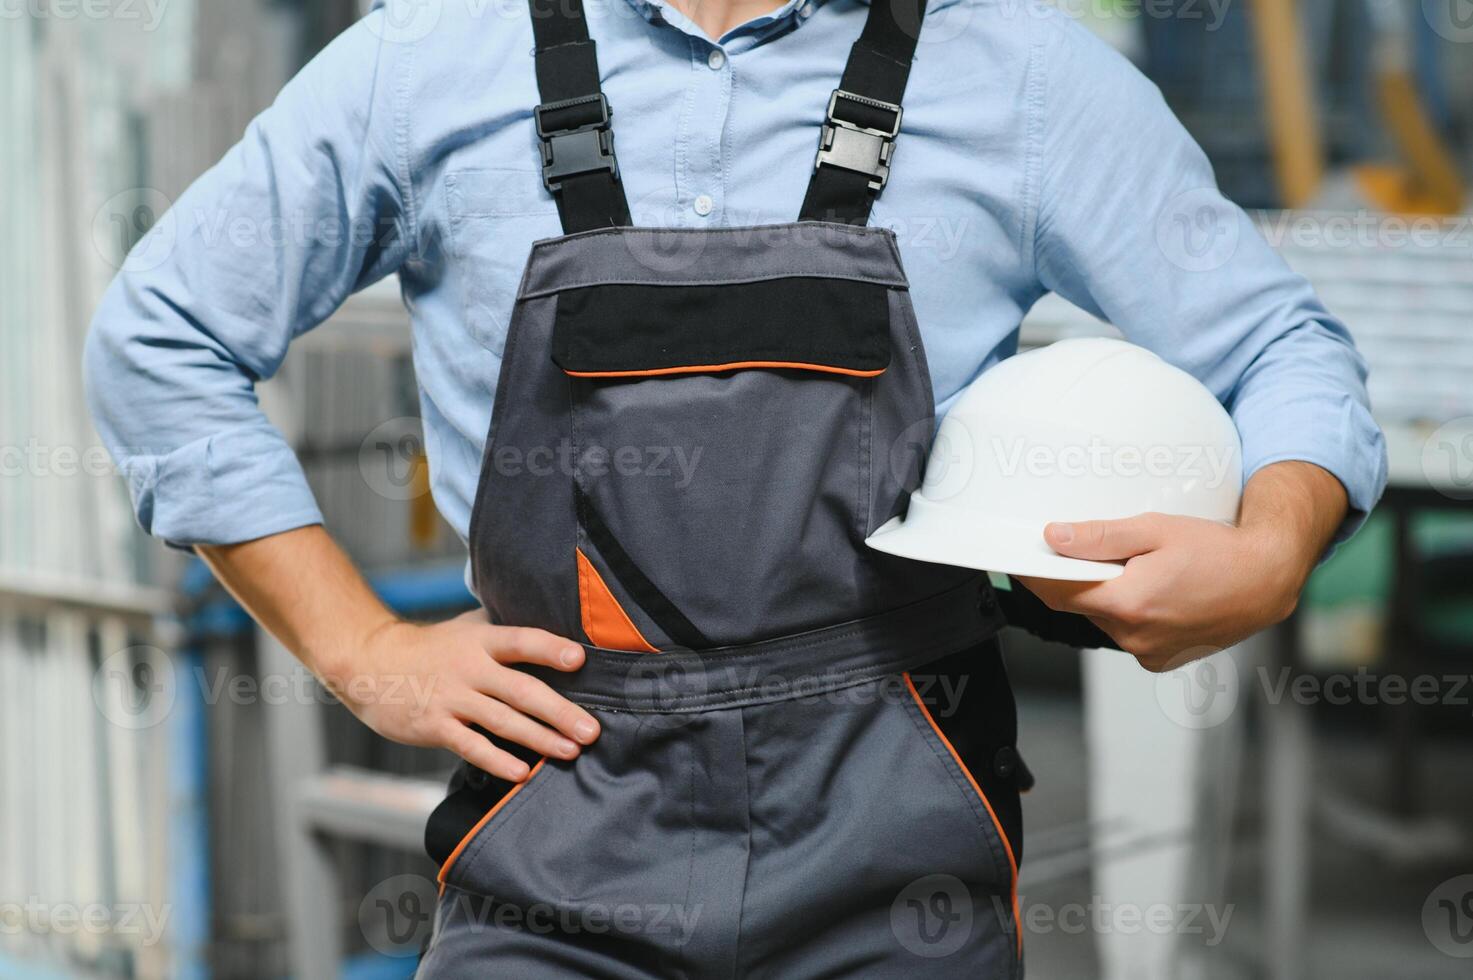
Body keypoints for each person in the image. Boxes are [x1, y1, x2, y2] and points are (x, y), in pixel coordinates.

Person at [85, 0, 1386, 974]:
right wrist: (357, 646)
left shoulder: (1021, 74)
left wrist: (1274, 545)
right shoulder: (423, 62)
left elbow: (1283, 350)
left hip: (895, 809)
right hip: (563, 803)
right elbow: (160, 338)